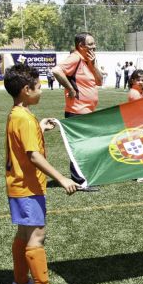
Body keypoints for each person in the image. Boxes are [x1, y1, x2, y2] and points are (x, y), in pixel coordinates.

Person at [3, 63, 79, 284]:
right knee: (37, 234)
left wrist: (40, 128)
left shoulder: (18, 114)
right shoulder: (24, 118)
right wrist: (61, 177)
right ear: (26, 89)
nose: (42, 91)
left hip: (17, 185)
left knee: (24, 234)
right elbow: (32, 155)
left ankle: (20, 281)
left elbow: (22, 145)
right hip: (28, 186)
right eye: (38, 87)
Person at [52, 32, 103, 191]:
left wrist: (93, 64)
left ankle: (84, 177)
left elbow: (100, 81)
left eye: (94, 43)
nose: (94, 46)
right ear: (80, 46)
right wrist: (70, 88)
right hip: (77, 111)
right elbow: (56, 71)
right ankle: (79, 181)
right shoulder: (75, 58)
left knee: (86, 146)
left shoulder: (87, 60)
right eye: (91, 44)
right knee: (79, 147)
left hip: (88, 110)